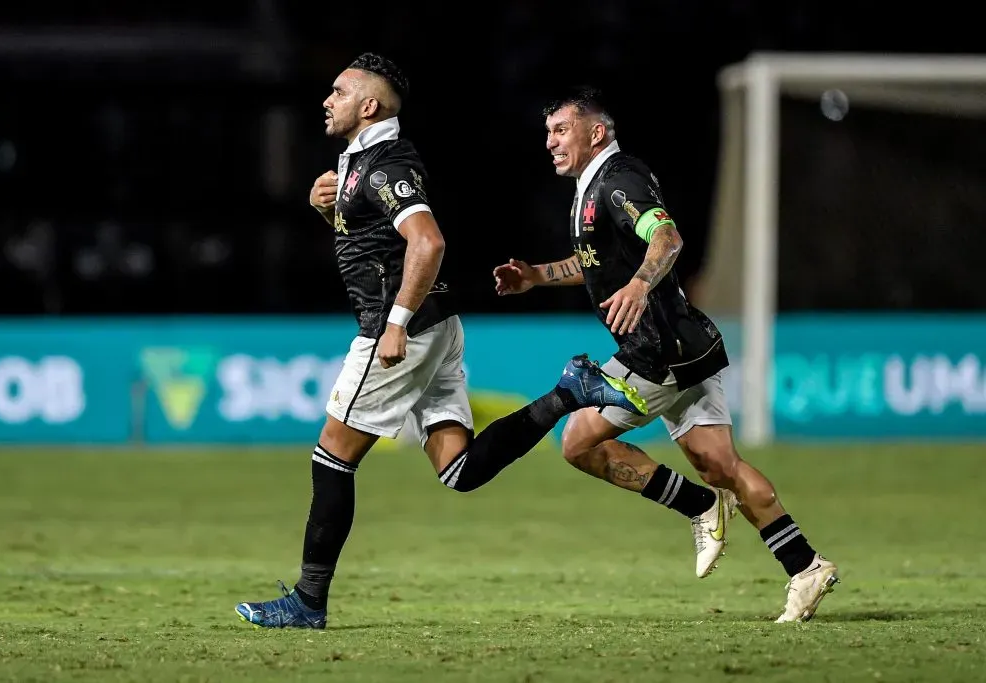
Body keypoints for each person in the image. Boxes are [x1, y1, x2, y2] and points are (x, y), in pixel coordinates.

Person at [234, 56, 647, 630]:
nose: (326, 99)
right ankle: (566, 393)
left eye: (338, 91)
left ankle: (307, 602)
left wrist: (397, 323)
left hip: (400, 326)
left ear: (369, 106)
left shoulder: (384, 164)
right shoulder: (359, 163)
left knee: (332, 456)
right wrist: (325, 209)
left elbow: (427, 243)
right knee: (459, 468)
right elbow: (372, 244)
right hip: (435, 323)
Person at [493, 86, 839, 623]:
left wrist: (636, 286)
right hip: (687, 344)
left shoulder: (618, 182)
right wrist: (539, 276)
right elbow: (595, 260)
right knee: (719, 465)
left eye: (561, 131)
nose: (551, 142)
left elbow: (668, 239)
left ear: (596, 132)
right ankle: (805, 565)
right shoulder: (595, 187)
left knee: (578, 441)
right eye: (548, 133)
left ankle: (699, 508)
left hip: (659, 352)